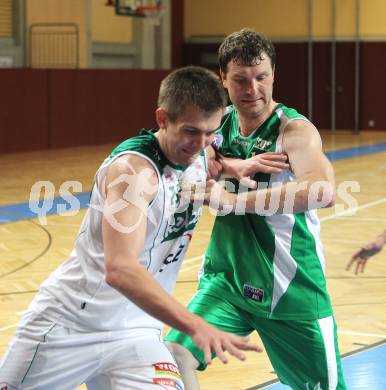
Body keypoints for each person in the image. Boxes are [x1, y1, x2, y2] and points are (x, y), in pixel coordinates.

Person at [0, 66, 262, 390]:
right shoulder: (135, 174)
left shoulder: (196, 152)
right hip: (72, 324)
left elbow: (208, 153)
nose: (200, 143)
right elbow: (120, 269)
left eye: (210, 132)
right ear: (162, 118)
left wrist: (228, 165)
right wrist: (195, 325)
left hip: (137, 329)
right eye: (191, 131)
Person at [165, 29, 347, 390]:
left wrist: (233, 202)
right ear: (223, 79)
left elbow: (322, 190)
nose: (252, 90)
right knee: (173, 357)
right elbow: (178, 149)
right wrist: (218, 160)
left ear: (274, 74)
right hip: (227, 281)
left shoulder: (293, 131)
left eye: (261, 78)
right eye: (241, 80)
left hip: (290, 288)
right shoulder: (216, 125)